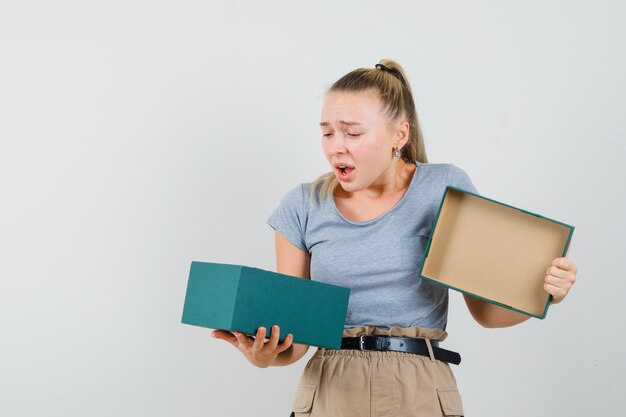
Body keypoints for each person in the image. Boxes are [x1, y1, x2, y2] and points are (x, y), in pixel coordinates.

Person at [211, 59, 578, 417]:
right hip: (330, 391)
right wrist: (264, 356)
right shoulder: (302, 205)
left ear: (399, 135)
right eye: (327, 131)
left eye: (353, 132)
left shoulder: (444, 188)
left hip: (419, 390)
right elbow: (296, 340)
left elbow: (487, 313)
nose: (336, 146)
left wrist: (543, 292)